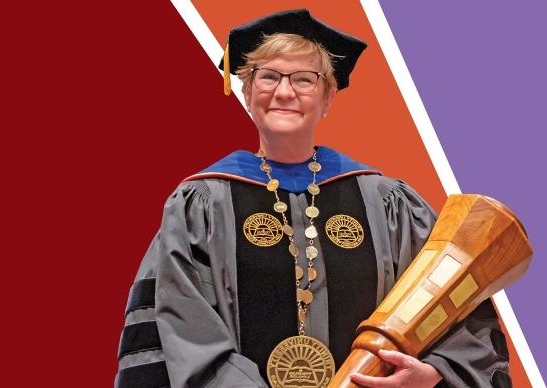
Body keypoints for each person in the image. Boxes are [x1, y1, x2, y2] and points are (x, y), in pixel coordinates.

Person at [116, 9, 511, 388]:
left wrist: (434, 372)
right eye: (268, 76)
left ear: (328, 97)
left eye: (305, 79)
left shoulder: (387, 203)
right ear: (249, 91)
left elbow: (455, 302)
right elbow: (177, 328)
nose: (284, 92)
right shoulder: (202, 205)